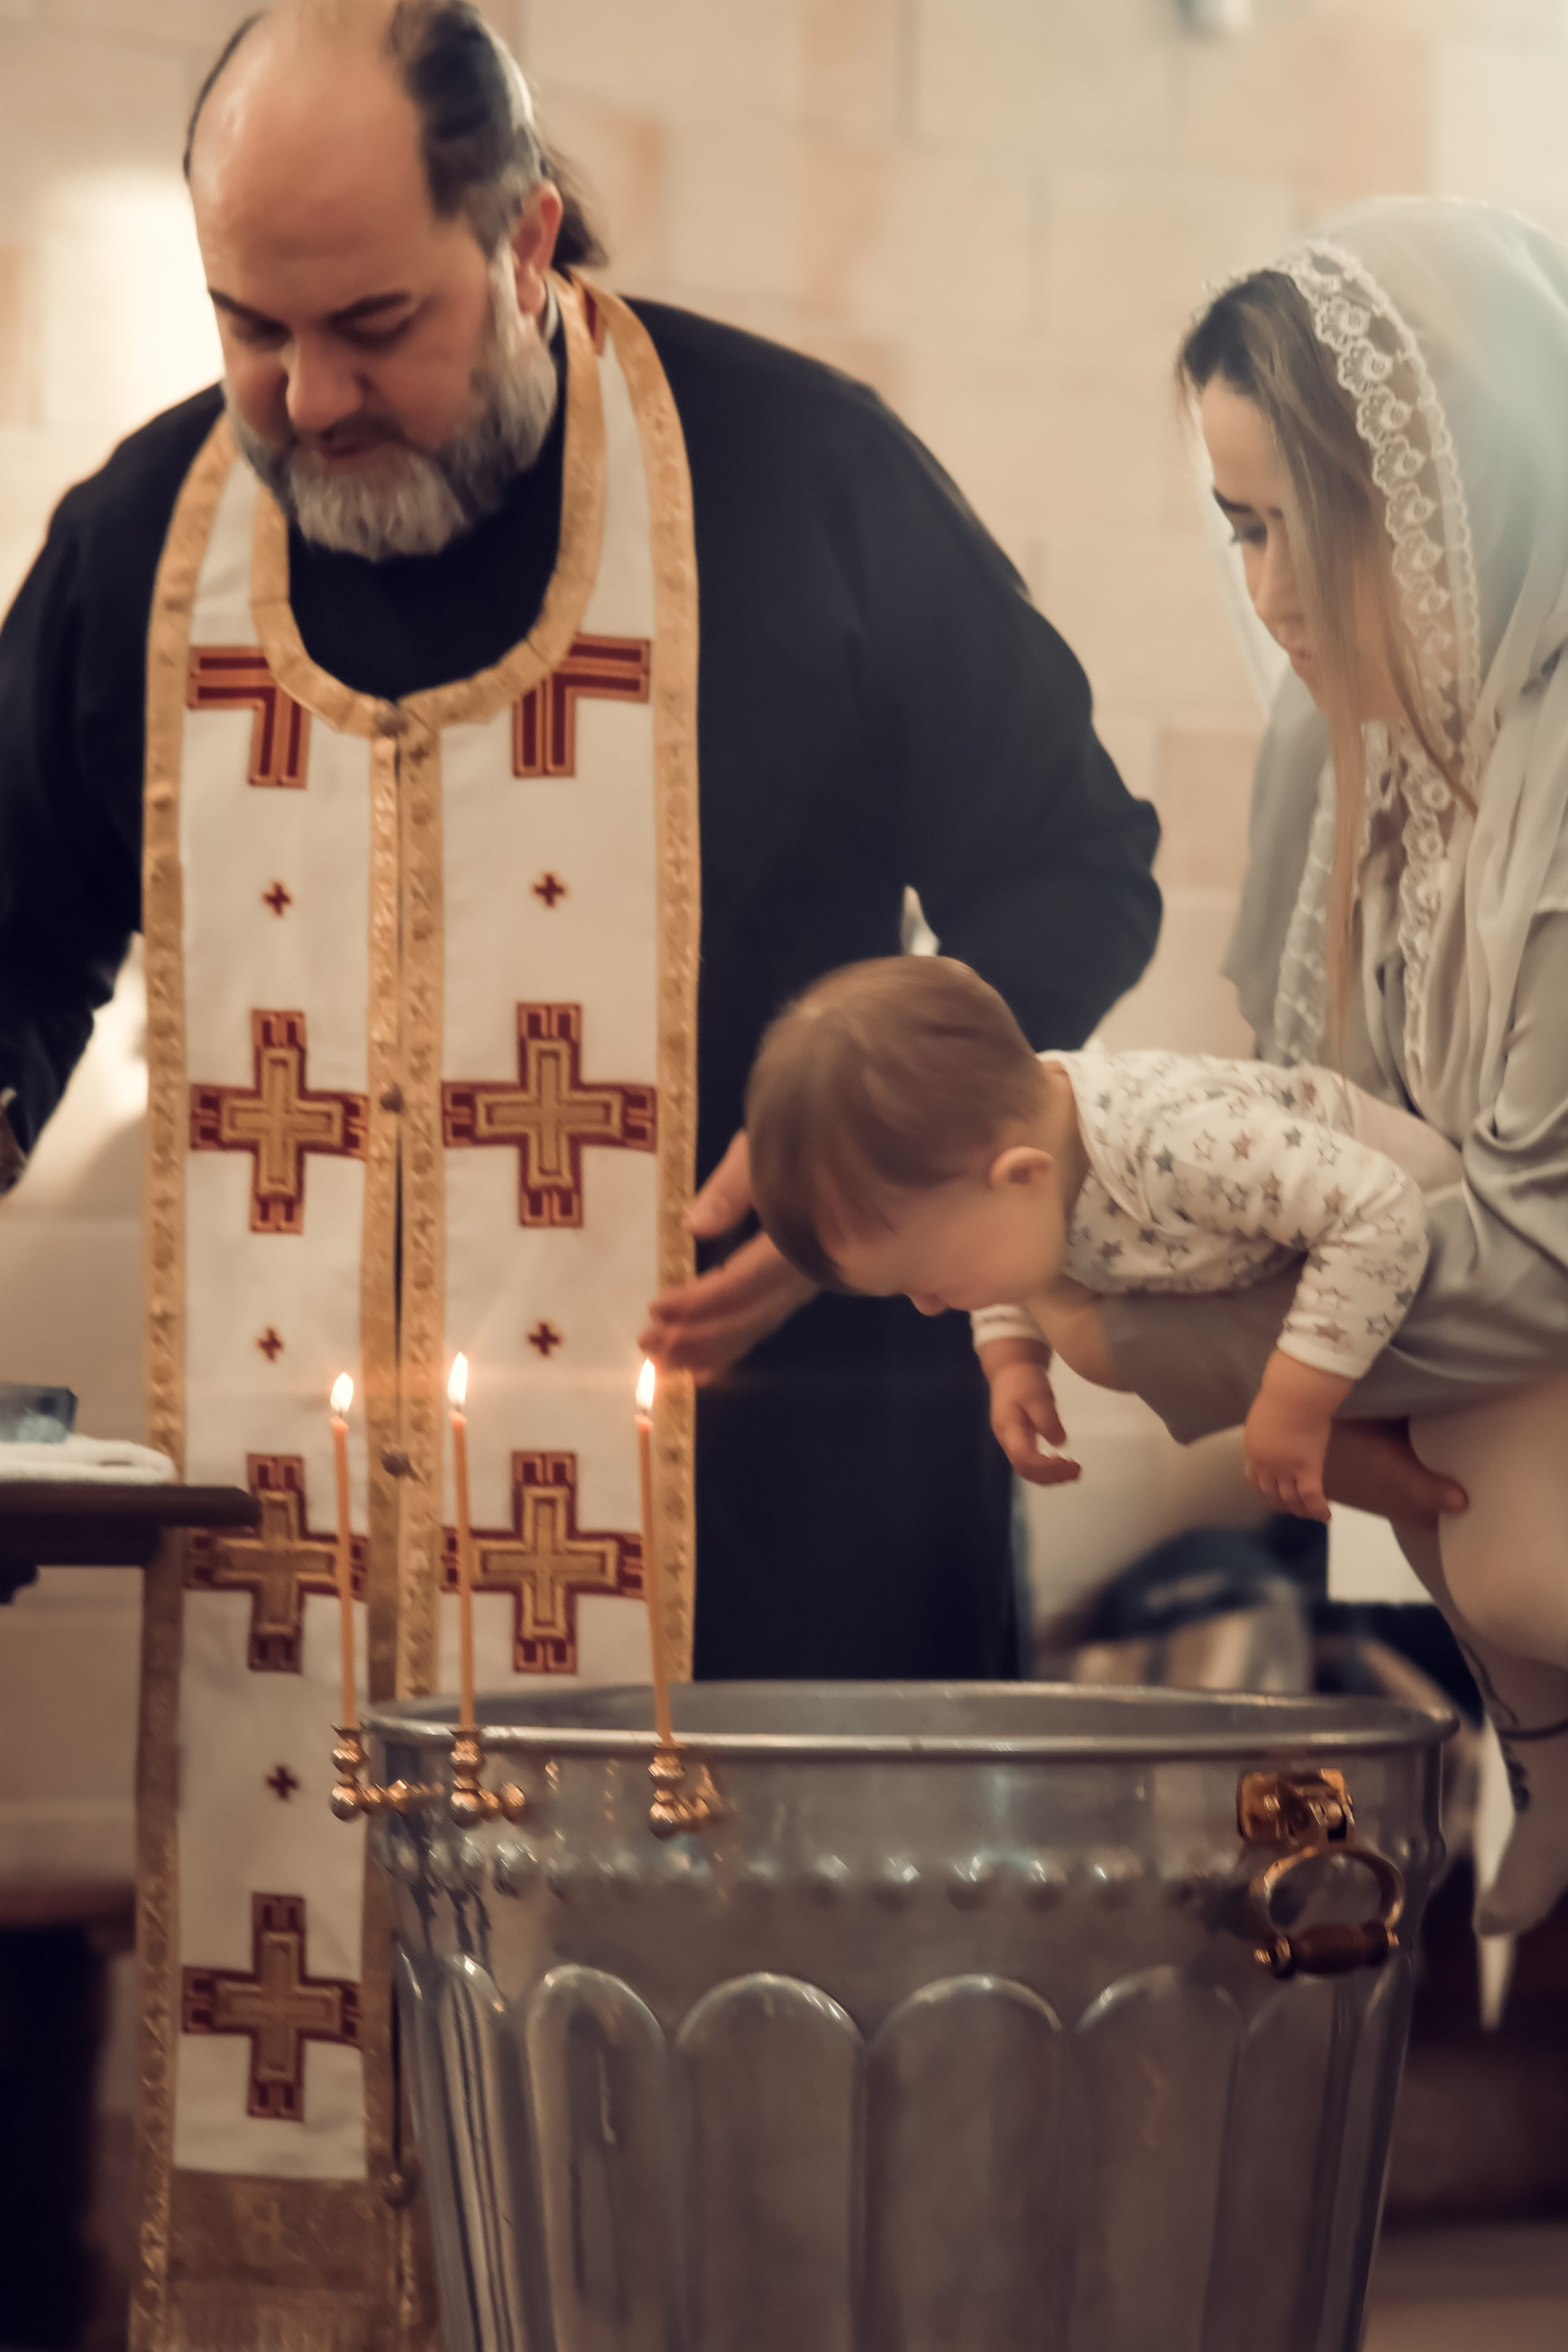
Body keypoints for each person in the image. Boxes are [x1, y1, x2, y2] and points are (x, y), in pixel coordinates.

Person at [0, 2, 1158, 2337]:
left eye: (374, 326)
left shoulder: (798, 473)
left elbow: (1075, 875)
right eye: (249, 324)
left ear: (525, 238)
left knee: (762, 2220)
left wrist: (848, 1206)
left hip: (783, 1526)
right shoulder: (152, 535)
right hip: (306, 1580)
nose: (306, 398)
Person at [1094, 199, 1568, 1936]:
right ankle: (1542, 1727)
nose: (1272, 596)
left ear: (1453, 493)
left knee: (1503, 1532)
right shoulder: (1334, 736)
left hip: (1548, 1284)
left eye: (1308, 529)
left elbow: (1548, 1222)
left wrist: (1213, 1333)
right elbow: (1302, 1105)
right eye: (1238, 531)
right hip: (1486, 1292)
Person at [745, 954, 1441, 1525]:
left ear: (1019, 1176)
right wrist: (1013, 1361)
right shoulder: (1012, 1158)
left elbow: (1380, 1212)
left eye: (925, 1277)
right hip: (1303, 1277)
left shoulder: (1175, 1144)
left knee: (1313, 1436)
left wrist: (1296, 1401)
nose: (928, 1305)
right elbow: (1003, 1246)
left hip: (1435, 1246)